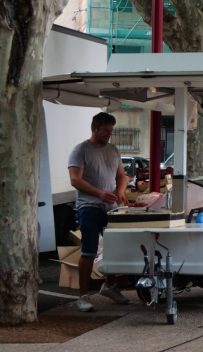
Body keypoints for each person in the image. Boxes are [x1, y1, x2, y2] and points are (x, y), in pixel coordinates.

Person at [68, 112, 130, 312]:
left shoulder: (113, 150)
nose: (108, 135)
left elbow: (122, 176)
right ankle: (83, 296)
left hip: (111, 208)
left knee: (114, 250)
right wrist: (99, 193)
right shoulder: (80, 150)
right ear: (94, 128)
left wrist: (119, 191)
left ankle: (109, 286)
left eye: (111, 131)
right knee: (89, 251)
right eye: (105, 131)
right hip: (88, 206)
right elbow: (75, 179)